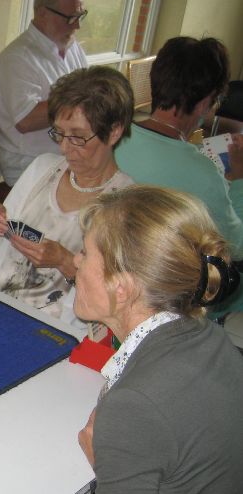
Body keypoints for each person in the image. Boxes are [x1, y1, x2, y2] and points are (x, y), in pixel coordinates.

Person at [20, 186, 243, 494]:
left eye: (85, 253)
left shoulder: (133, 407)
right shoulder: (213, 339)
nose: (74, 260)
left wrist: (105, 474)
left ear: (119, 289)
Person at [0, 66, 134, 322]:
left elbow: (112, 303)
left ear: (114, 131)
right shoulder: (42, 168)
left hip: (51, 327)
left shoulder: (125, 204)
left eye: (78, 137)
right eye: (59, 133)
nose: (64, 147)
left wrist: (64, 261)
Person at [115, 36, 243, 317]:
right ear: (204, 102)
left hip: (118, 271)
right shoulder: (203, 174)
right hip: (166, 294)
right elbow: (235, 246)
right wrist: (237, 179)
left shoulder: (115, 137)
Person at [0, 0, 88, 186]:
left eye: (80, 16)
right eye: (71, 18)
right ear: (43, 13)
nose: (77, 25)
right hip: (31, 164)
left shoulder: (73, 48)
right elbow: (26, 120)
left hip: (68, 156)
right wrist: (79, 98)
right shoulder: (17, 58)